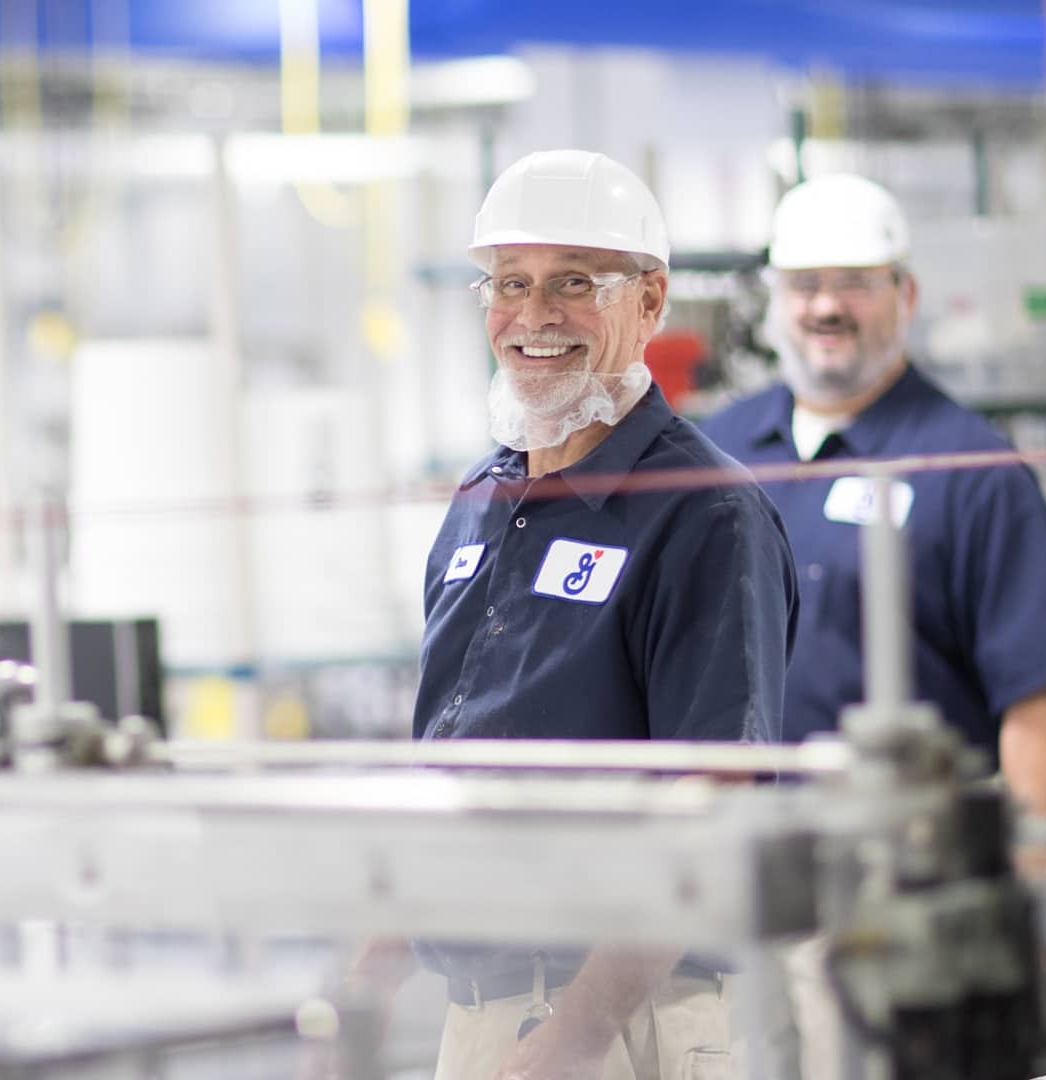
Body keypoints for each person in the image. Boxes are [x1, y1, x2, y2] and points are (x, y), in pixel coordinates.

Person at [332, 150, 799, 1080]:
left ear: (650, 302)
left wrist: (580, 1031)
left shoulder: (701, 510)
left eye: (574, 283)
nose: (533, 316)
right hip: (483, 1016)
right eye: (510, 283)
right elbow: (451, 763)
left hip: (620, 1018)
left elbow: (711, 799)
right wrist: (364, 980)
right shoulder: (482, 495)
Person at [700, 172, 1046, 1079]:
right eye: (805, 285)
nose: (827, 306)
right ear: (775, 303)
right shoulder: (711, 455)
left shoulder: (976, 470)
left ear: (904, 296)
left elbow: (1036, 697)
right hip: (734, 883)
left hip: (900, 894)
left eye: (856, 282)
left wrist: (1015, 892)